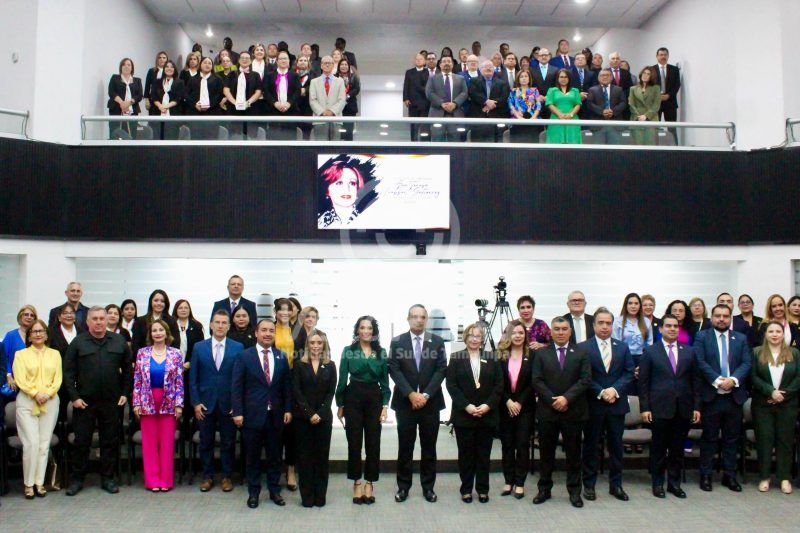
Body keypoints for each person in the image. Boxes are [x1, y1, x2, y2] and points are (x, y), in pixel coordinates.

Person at [63, 306, 132, 496]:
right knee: (82, 442)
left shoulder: (119, 341)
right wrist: (74, 397)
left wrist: (125, 393)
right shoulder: (78, 342)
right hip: (84, 403)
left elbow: (128, 370)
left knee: (109, 441)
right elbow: (68, 373)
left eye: (102, 318)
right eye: (95, 319)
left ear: (107, 320)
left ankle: (108, 478)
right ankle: (77, 479)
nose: (99, 322)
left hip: (111, 402)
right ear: (87, 322)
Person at [388, 305, 447, 503]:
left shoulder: (437, 341)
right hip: (405, 403)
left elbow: (441, 369)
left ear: (426, 319)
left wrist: (426, 395)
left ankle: (428, 487)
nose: (419, 320)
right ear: (408, 319)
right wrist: (411, 394)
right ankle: (403, 487)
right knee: (405, 447)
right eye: (415, 316)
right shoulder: (397, 341)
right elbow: (394, 369)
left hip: (430, 403)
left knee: (429, 447)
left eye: (422, 317)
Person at [232, 319, 293, 509]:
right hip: (251, 415)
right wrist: (237, 412)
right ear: (256, 333)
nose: (268, 334)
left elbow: (286, 386)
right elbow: (236, 386)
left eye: (271, 331)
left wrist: (288, 409)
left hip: (276, 415)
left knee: (275, 456)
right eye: (264, 330)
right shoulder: (244, 356)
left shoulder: (281, 356)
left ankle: (275, 490)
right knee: (252, 457)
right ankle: (253, 493)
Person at [531, 316, 591, 508]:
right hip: (548, 411)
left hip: (573, 411)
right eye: (556, 329)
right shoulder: (541, 353)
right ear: (551, 332)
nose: (560, 332)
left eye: (564, 329)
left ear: (570, 331)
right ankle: (544, 489)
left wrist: (566, 398)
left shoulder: (581, 352)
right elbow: (536, 380)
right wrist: (553, 400)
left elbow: (585, 380)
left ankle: (574, 492)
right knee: (546, 454)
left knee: (573, 455)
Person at [639, 314, 701, 498]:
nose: (672, 329)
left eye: (675, 326)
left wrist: (696, 407)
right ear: (661, 329)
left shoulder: (689, 352)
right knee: (658, 448)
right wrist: (645, 408)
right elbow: (643, 383)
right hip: (659, 408)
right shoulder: (650, 351)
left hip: (683, 408)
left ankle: (674, 484)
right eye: (668, 326)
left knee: (677, 449)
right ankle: (658, 483)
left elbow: (696, 382)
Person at [694, 304, 753, 492]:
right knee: (709, 438)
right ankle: (706, 475)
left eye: (725, 316)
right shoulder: (702, 337)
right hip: (711, 396)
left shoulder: (740, 338)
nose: (721, 319)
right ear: (711, 318)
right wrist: (718, 380)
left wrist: (733, 380)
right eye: (718, 315)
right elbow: (700, 361)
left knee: (731, 439)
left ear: (730, 318)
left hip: (734, 397)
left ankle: (730, 475)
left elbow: (747, 363)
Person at [579, 308, 634, 502]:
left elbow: (629, 373)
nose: (604, 326)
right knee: (591, 446)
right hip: (593, 404)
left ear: (612, 325)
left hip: (616, 404)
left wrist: (614, 390)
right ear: (593, 325)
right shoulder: (583, 347)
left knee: (616, 446)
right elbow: (583, 375)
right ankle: (589, 485)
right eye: (600, 323)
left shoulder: (622, 347)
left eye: (608, 323)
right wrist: (602, 392)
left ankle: (616, 485)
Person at [335, 316, 390, 505]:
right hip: (353, 397)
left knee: (373, 442)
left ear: (374, 332)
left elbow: (385, 382)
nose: (366, 331)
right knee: (354, 441)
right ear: (357, 330)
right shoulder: (348, 351)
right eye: (362, 327)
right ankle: (357, 482)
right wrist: (340, 404)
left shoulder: (381, 352)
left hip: (374, 397)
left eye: (369, 328)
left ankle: (370, 483)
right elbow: (342, 378)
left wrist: (385, 406)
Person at [446, 323, 502, 503]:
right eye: (471, 335)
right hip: (464, 415)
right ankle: (466, 489)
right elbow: (451, 385)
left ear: (482, 339)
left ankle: (483, 489)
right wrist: (467, 406)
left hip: (487, 414)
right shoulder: (456, 357)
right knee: (466, 455)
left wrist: (488, 405)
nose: (474, 339)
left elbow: (499, 385)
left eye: (478, 336)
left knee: (484, 455)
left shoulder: (492, 357)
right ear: (465, 337)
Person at [190, 309, 244, 492]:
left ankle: (227, 476)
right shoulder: (199, 347)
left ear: (229, 326)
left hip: (229, 404)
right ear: (211, 325)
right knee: (206, 441)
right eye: (217, 322)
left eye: (224, 323)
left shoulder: (238, 348)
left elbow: (240, 379)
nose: (220, 326)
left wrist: (237, 405)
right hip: (205, 404)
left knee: (229, 442)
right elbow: (193, 378)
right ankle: (207, 476)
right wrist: (196, 403)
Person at [11, 319, 61, 499]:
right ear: (29, 336)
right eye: (34, 331)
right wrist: (35, 393)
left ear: (46, 335)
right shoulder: (20, 354)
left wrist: (47, 394)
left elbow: (58, 379)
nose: (38, 334)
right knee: (31, 443)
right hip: (27, 401)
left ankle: (39, 483)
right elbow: (20, 379)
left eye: (41, 331)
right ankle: (28, 483)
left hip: (50, 401)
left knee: (43, 444)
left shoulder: (55, 354)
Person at [132, 320, 184, 491]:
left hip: (169, 401)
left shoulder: (175, 354)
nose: (158, 333)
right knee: (150, 443)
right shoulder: (142, 353)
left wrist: (179, 405)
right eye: (154, 330)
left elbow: (179, 381)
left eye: (161, 330)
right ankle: (152, 481)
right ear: (150, 334)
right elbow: (137, 380)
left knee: (167, 443)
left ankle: (165, 481)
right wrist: (136, 403)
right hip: (147, 401)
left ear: (167, 333)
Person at [750, 321, 800, 493]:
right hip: (763, 405)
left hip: (788, 405)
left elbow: (798, 377)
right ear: (765, 334)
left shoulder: (795, 353)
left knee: (785, 441)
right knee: (765, 440)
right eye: (771, 331)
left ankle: (784, 478)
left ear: (783, 334)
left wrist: (782, 396)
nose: (774, 334)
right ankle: (764, 477)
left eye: (778, 331)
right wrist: (771, 392)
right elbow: (754, 377)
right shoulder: (756, 352)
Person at [293, 329, 337, 507]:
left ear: (324, 345)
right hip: (303, 420)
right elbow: (297, 392)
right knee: (305, 459)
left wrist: (320, 413)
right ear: (307, 345)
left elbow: (331, 393)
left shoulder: (331, 365)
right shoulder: (299, 365)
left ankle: (320, 496)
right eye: (312, 343)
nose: (316, 346)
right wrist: (309, 413)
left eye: (319, 343)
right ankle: (307, 497)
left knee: (321, 459)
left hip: (323, 419)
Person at [497, 321, 534, 499]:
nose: (517, 336)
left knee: (522, 445)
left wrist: (519, 402)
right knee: (507, 445)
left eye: (521, 333)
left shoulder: (532, 355)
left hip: (524, 407)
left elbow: (533, 382)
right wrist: (508, 401)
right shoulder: (500, 355)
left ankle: (520, 483)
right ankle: (508, 481)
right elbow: (497, 383)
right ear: (508, 335)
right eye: (514, 333)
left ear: (525, 336)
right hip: (505, 406)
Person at [272, 297, 297, 490]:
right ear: (275, 312)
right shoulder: (270, 329)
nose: (285, 313)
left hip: (294, 381)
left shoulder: (297, 330)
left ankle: (290, 470)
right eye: (281, 309)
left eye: (288, 309)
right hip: (273, 382)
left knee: (291, 430)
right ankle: (274, 470)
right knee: (275, 429)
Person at [316, 154, 378, 229]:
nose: (347, 188)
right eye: (339, 183)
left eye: (352, 183)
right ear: (327, 190)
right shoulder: (319, 222)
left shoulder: (372, 216)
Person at [426, 56, 468, 142]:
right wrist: (441, 103)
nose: (447, 63)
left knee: (455, 141)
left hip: (455, 113)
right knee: (437, 141)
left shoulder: (460, 78)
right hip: (437, 113)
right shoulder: (432, 78)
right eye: (444, 61)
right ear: (440, 65)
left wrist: (455, 103)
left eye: (449, 61)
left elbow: (464, 93)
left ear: (452, 65)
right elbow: (429, 93)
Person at [467, 60, 510, 143]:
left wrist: (490, 106)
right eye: (485, 67)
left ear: (494, 69)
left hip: (497, 117)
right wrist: (486, 101)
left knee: (497, 144)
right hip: (479, 117)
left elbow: (504, 97)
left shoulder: (502, 83)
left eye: (490, 67)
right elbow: (473, 93)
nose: (488, 68)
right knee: (478, 144)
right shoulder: (473, 81)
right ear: (480, 69)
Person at [223, 51, 262, 138]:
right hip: (233, 109)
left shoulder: (256, 75)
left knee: (250, 135)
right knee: (234, 136)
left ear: (251, 61)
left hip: (250, 109)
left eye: (247, 58)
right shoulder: (231, 74)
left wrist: (247, 103)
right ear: (238, 60)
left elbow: (258, 92)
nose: (244, 59)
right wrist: (235, 103)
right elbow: (226, 90)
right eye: (242, 58)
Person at [185, 56, 225, 140]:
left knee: (211, 139)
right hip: (196, 113)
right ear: (200, 65)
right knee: (196, 139)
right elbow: (186, 94)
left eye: (209, 63)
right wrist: (195, 104)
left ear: (212, 66)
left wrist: (208, 105)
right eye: (205, 63)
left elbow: (219, 95)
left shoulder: (218, 79)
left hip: (212, 113)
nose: (207, 65)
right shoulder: (192, 79)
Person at [612, 292, 653, 373]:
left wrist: (643, 362)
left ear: (640, 306)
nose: (633, 306)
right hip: (623, 358)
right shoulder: (617, 321)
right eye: (630, 303)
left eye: (636, 303)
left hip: (642, 359)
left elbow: (649, 344)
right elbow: (615, 343)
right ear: (626, 305)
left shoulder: (646, 321)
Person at [264, 50, 301, 140]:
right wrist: (275, 103)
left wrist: (289, 103)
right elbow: (266, 92)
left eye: (285, 58)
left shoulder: (295, 75)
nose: (283, 61)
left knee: (290, 139)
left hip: (291, 111)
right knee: (273, 139)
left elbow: (297, 91)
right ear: (277, 61)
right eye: (281, 59)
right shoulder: (269, 75)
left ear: (289, 61)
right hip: (273, 111)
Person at [4, 305, 39, 397]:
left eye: (32, 315)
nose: (29, 317)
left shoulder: (38, 336)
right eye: (26, 314)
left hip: (33, 382)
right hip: (14, 381)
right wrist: (8, 376)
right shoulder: (11, 335)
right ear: (20, 316)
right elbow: (4, 357)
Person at [309, 56, 347, 140]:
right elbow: (312, 100)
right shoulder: (314, 82)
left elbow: (342, 100)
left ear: (333, 65)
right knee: (321, 145)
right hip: (319, 119)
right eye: (325, 63)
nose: (327, 65)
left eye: (329, 63)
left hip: (336, 119)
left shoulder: (340, 81)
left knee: (335, 146)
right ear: (321, 65)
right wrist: (323, 112)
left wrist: (332, 111)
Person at [132, 289, 180, 354]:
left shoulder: (172, 321)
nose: (159, 303)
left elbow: (176, 344)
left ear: (166, 303)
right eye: (156, 300)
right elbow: (135, 345)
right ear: (151, 302)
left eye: (162, 301)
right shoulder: (139, 321)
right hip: (144, 358)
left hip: (168, 358)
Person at [586, 69, 627, 144]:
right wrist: (602, 111)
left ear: (611, 77)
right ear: (598, 78)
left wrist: (613, 111)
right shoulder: (592, 90)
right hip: (598, 125)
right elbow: (589, 104)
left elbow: (623, 103)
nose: (605, 77)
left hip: (615, 124)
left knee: (615, 148)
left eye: (607, 75)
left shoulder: (618, 89)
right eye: (602, 75)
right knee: (599, 148)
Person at [107, 58, 143, 139]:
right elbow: (111, 92)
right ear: (121, 67)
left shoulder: (137, 80)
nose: (126, 66)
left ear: (132, 68)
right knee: (115, 134)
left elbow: (140, 95)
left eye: (128, 65)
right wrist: (122, 103)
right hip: (116, 110)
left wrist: (129, 103)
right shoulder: (115, 78)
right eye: (124, 64)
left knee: (131, 135)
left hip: (132, 112)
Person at [149, 60, 185, 140]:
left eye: (171, 67)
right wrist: (160, 106)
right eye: (167, 67)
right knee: (157, 138)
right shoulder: (157, 81)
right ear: (164, 69)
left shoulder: (180, 82)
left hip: (173, 115)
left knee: (171, 139)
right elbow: (153, 96)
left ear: (174, 69)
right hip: (157, 113)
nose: (169, 68)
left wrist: (165, 106)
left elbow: (178, 98)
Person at [652, 47, 681, 143]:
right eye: (661, 55)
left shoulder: (674, 69)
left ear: (668, 56)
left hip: (670, 103)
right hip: (655, 103)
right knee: (655, 128)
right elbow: (649, 86)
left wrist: (668, 95)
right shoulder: (651, 69)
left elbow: (677, 85)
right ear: (657, 56)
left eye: (665, 55)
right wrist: (657, 96)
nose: (663, 57)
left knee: (672, 128)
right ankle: (654, 148)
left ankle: (675, 148)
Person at [545, 69, 581, 144]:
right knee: (556, 142)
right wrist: (559, 114)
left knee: (573, 142)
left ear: (569, 78)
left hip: (572, 119)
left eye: (565, 77)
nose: (563, 79)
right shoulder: (551, 90)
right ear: (557, 78)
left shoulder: (575, 91)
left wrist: (571, 115)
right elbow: (549, 104)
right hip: (556, 119)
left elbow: (578, 104)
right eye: (561, 77)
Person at [628, 66, 661, 145]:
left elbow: (656, 105)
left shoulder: (656, 88)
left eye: (648, 74)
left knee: (650, 145)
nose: (645, 75)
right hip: (637, 119)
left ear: (651, 76)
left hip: (651, 119)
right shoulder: (633, 88)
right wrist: (639, 116)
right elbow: (631, 104)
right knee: (637, 145)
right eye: (644, 73)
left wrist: (646, 116)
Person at [403, 53, 430, 141]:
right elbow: (406, 85)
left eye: (420, 59)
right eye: (417, 59)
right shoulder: (409, 72)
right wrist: (405, 98)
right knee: (413, 124)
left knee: (424, 124)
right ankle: (413, 141)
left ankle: (424, 142)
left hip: (424, 101)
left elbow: (428, 87)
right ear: (414, 61)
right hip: (412, 102)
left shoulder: (427, 72)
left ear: (424, 61)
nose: (418, 61)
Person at [333, 57, 360, 141]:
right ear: (339, 66)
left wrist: (348, 96)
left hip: (350, 107)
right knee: (337, 132)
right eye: (342, 64)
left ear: (348, 66)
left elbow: (356, 89)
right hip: (337, 107)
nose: (344, 66)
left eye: (345, 64)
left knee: (348, 131)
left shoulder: (354, 77)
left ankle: (347, 147)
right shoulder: (334, 77)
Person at [569, 53, 597, 119]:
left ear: (586, 61)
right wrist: (577, 95)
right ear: (574, 62)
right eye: (578, 59)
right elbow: (567, 87)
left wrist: (585, 95)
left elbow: (594, 88)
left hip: (587, 103)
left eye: (582, 58)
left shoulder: (591, 74)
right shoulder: (568, 73)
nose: (580, 60)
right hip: (572, 102)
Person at [294, 55, 315, 140]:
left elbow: (315, 86)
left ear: (308, 63)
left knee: (306, 130)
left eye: (305, 60)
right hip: (295, 105)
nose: (303, 62)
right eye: (301, 60)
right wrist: (299, 90)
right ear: (297, 63)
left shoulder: (313, 74)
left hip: (308, 106)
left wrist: (305, 90)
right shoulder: (292, 74)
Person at [144, 51, 169, 116]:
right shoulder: (151, 71)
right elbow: (147, 85)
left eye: (164, 58)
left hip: (166, 99)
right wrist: (146, 99)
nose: (162, 59)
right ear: (157, 60)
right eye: (159, 57)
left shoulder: (169, 71)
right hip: (153, 99)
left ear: (167, 60)